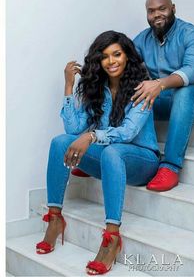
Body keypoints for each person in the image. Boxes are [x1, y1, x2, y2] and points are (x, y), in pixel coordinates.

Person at [36, 30, 160, 275]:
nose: (111, 61)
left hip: (141, 160)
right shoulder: (96, 88)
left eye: (117, 54)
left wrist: (92, 136)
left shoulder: (143, 87)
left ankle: (112, 237)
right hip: (110, 157)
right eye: (105, 57)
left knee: (113, 151)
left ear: (127, 57)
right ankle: (54, 218)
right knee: (60, 141)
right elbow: (72, 128)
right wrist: (69, 86)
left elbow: (127, 132)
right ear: (98, 61)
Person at [132, 0, 194, 192]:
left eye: (162, 8)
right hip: (166, 101)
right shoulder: (142, 39)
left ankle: (170, 166)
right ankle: (130, 155)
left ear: (173, 8)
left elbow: (193, 70)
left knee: (184, 91)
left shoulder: (191, 33)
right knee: (132, 91)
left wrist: (159, 84)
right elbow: (124, 62)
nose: (157, 15)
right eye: (151, 11)